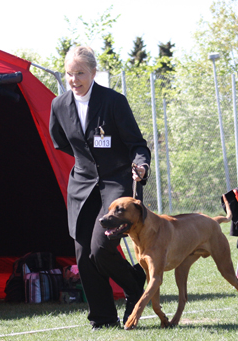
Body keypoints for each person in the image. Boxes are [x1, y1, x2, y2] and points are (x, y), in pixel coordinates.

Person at [49, 46, 151, 329]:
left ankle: (133, 286)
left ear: (94, 73)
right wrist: (88, 164)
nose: (74, 79)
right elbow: (61, 141)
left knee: (101, 248)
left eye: (80, 73)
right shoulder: (59, 106)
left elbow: (137, 145)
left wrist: (140, 166)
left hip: (116, 183)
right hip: (81, 186)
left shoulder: (114, 101)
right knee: (84, 257)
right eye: (70, 73)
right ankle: (103, 319)